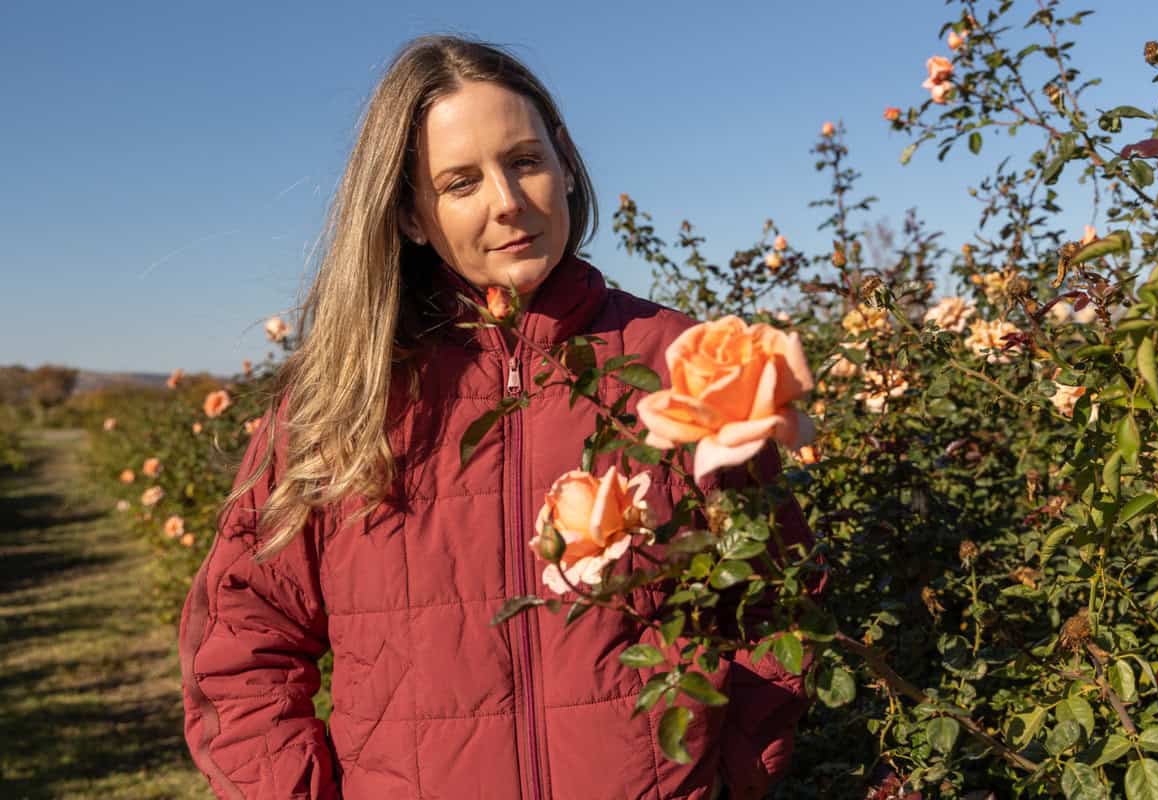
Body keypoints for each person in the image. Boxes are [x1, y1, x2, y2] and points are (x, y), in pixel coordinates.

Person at [179, 35, 817, 800]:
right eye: (459, 182)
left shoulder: (684, 366)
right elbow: (242, 647)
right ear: (413, 216)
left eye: (524, 161)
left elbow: (774, 600)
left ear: (566, 164)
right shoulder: (348, 395)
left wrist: (725, 775)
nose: (507, 201)